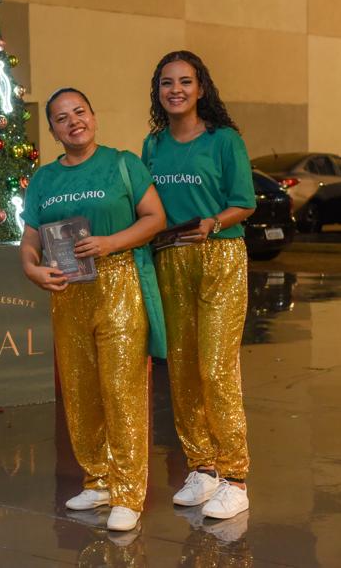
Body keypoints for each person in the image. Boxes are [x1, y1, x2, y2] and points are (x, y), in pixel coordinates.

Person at [19, 88, 165, 532]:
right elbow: (31, 239)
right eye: (62, 118)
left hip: (118, 283)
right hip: (68, 290)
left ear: (93, 116)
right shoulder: (44, 179)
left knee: (122, 390)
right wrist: (31, 269)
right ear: (52, 130)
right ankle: (97, 479)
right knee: (80, 390)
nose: (73, 122)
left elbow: (154, 218)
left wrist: (110, 243)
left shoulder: (122, 163)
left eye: (79, 112)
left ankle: (128, 491)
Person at [141, 50, 256, 520]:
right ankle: (202, 467)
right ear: (158, 92)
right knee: (183, 369)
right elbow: (147, 207)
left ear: (201, 88)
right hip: (170, 260)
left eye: (185, 82)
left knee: (215, 368)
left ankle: (235, 477)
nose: (176, 90)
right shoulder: (153, 145)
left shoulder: (224, 140)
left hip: (219, 256)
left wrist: (214, 222)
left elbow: (245, 202)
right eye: (167, 83)